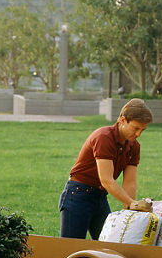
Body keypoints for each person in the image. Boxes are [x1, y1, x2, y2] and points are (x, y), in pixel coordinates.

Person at [59, 98, 153, 239]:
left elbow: (129, 183)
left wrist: (130, 209)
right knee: (71, 248)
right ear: (122, 120)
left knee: (108, 245)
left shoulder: (134, 146)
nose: (138, 134)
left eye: (143, 130)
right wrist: (132, 202)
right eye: (136, 128)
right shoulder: (104, 137)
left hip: (100, 197)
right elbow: (107, 180)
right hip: (77, 195)